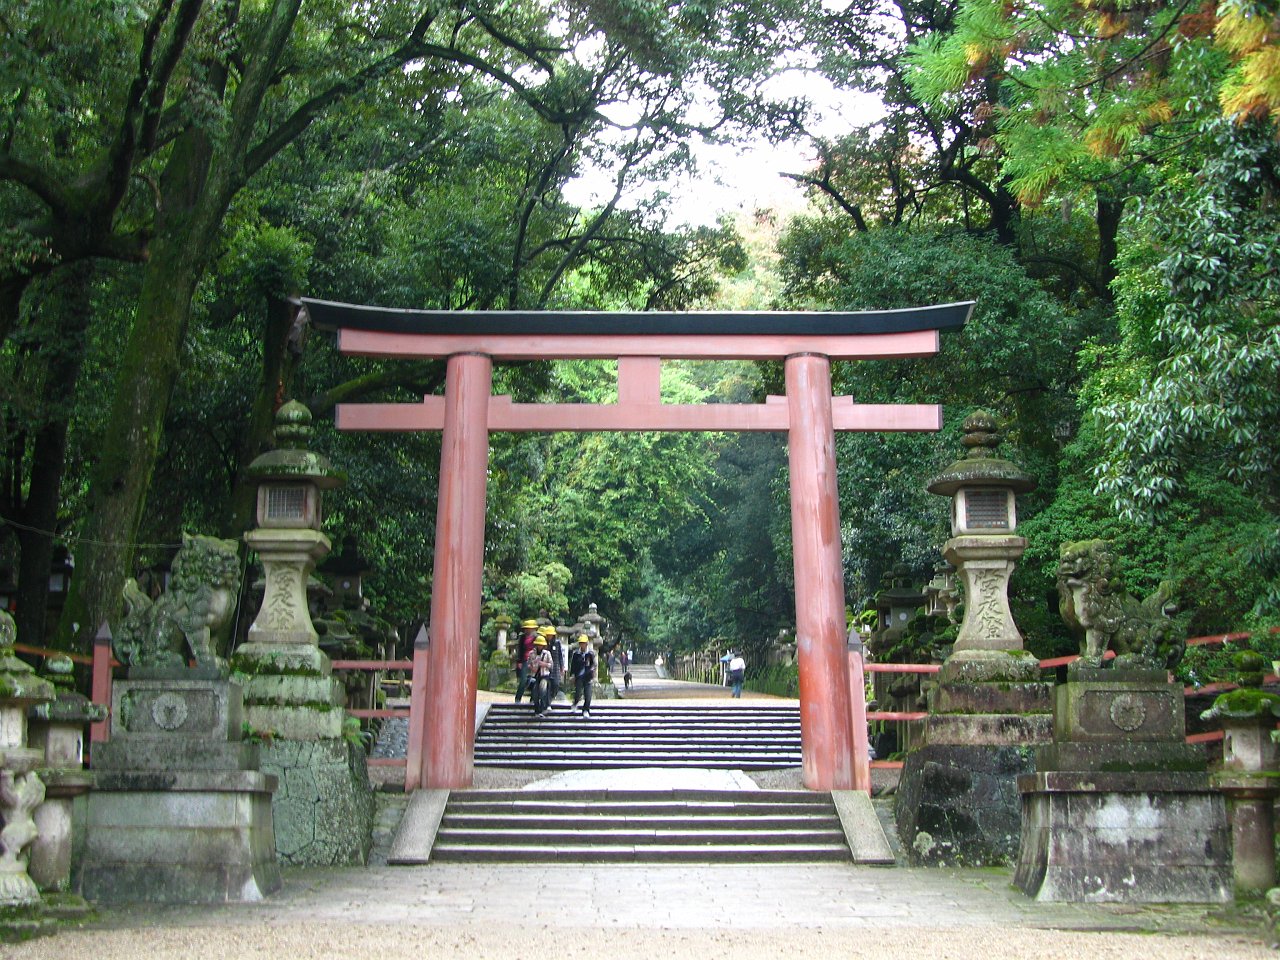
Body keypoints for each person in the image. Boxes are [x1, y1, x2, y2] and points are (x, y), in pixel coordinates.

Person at [569, 634, 597, 717]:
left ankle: (586, 710)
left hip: (588, 676)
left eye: (584, 643)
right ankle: (575, 703)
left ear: (587, 643)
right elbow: (573, 666)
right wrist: (572, 675)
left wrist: (592, 671)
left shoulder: (590, 653)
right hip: (579, 676)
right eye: (581, 643)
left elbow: (594, 664)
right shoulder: (576, 654)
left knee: (588, 695)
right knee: (578, 692)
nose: (582, 645)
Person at [527, 635, 554, 716]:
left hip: (544, 675)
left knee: (543, 690)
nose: (539, 646)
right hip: (535, 675)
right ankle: (537, 710)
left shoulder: (547, 653)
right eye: (538, 644)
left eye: (541, 645)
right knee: (535, 693)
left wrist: (544, 664)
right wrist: (532, 666)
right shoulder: (532, 653)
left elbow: (551, 665)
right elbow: (528, 663)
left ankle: (543, 708)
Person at [513, 619, 538, 704]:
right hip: (524, 660)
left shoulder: (536, 638)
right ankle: (518, 698)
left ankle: (533, 699)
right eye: (527, 628)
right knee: (523, 680)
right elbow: (520, 650)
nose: (529, 630)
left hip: (534, 661)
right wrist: (519, 661)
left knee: (535, 680)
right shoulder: (522, 637)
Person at [540, 624, 564, 708]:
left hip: (556, 665)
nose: (549, 636)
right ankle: (547, 703)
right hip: (546, 666)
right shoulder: (544, 643)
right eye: (548, 635)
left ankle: (551, 698)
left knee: (556, 684)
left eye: (551, 635)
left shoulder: (557, 643)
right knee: (547, 685)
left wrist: (562, 667)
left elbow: (560, 655)